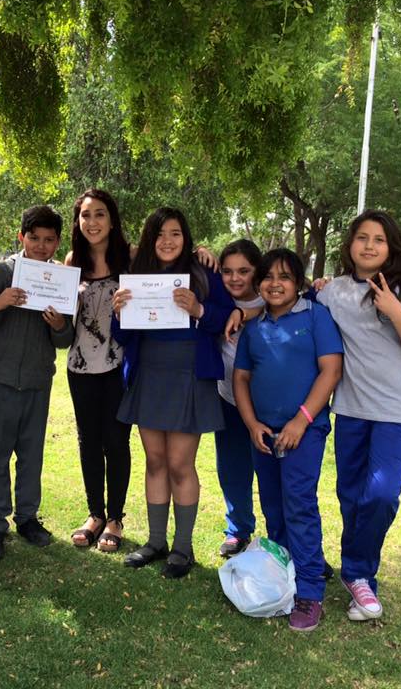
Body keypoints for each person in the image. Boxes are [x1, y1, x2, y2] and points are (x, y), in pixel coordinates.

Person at [315, 210, 401, 622]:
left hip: (400, 411)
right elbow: (290, 302)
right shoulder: (333, 291)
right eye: (362, 237)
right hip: (351, 408)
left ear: (391, 247)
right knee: (350, 496)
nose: (369, 246)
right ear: (350, 244)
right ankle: (360, 577)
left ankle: (357, 572)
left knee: (381, 495)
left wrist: (395, 310)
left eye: (379, 239)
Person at [112, 208, 235, 578]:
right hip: (149, 374)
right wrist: (118, 314)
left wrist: (198, 308)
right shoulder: (136, 277)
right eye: (160, 234)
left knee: (180, 464)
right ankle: (155, 542)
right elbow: (123, 336)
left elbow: (226, 317)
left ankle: (183, 548)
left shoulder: (203, 272)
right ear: (149, 239)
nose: (167, 241)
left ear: (186, 237)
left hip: (189, 375)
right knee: (155, 462)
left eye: (175, 233)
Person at [233, 248, 343, 631]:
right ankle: (286, 576)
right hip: (264, 434)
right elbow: (241, 378)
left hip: (304, 432)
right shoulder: (254, 327)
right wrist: (251, 423)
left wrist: (301, 421)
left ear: (298, 283)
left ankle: (310, 592)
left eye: (284, 277)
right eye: (267, 277)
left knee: (298, 505)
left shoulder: (316, 317)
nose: (275, 284)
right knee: (274, 508)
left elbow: (331, 371)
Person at [0, 205, 75, 560]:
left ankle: (28, 518)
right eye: (34, 238)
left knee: (31, 456)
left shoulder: (62, 280)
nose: (41, 246)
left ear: (57, 242)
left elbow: (65, 339)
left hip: (36, 381)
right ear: (21, 237)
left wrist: (59, 325)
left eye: (49, 240)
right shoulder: (2, 272)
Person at [64, 189, 133, 552]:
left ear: (112, 219)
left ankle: (115, 519)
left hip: (118, 367)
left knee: (117, 441)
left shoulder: (131, 258)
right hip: (79, 366)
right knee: (88, 441)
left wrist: (200, 254)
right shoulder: (72, 261)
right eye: (85, 215)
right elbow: (65, 318)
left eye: (100, 214)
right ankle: (95, 514)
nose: (92, 222)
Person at [212, 239, 265, 557]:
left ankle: (288, 537)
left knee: (275, 474)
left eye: (243, 271)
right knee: (232, 469)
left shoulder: (271, 297)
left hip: (269, 403)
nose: (235, 278)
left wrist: (244, 312)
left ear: (257, 271)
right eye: (227, 271)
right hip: (228, 397)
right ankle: (238, 530)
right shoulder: (217, 300)